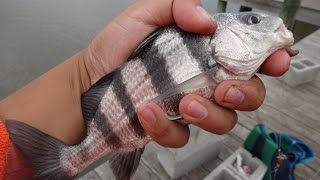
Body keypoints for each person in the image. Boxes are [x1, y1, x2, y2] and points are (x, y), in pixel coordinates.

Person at [0, 0, 291, 178]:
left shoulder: (224, 61)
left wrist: (86, 71)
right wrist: (87, 71)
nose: (263, 25)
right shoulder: (209, 43)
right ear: (222, 39)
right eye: (252, 22)